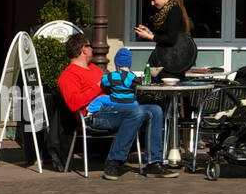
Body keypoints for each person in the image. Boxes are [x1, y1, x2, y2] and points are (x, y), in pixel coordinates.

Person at [57, 34, 179, 180]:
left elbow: (111, 86)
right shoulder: (68, 75)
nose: (93, 50)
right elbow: (73, 103)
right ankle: (113, 162)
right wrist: (98, 87)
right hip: (94, 115)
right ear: (84, 49)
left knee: (155, 110)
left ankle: (154, 163)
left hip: (114, 107)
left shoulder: (94, 69)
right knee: (137, 112)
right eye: (90, 46)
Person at [134, 0, 192, 77]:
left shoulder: (174, 10)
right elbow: (164, 35)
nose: (152, 3)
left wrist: (150, 37)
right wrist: (149, 32)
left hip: (172, 61)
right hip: (164, 57)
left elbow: (171, 39)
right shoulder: (164, 12)